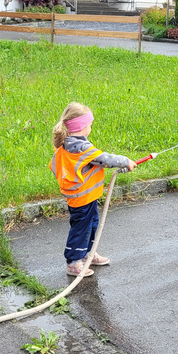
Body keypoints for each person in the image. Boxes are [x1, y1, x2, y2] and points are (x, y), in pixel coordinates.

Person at [50, 102, 136, 277]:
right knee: (81, 229)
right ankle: (73, 262)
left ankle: (88, 253)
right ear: (81, 127)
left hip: (83, 196)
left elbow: (54, 166)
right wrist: (126, 161)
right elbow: (105, 159)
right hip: (82, 198)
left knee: (91, 225)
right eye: (89, 124)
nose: (90, 128)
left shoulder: (65, 145)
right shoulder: (82, 148)